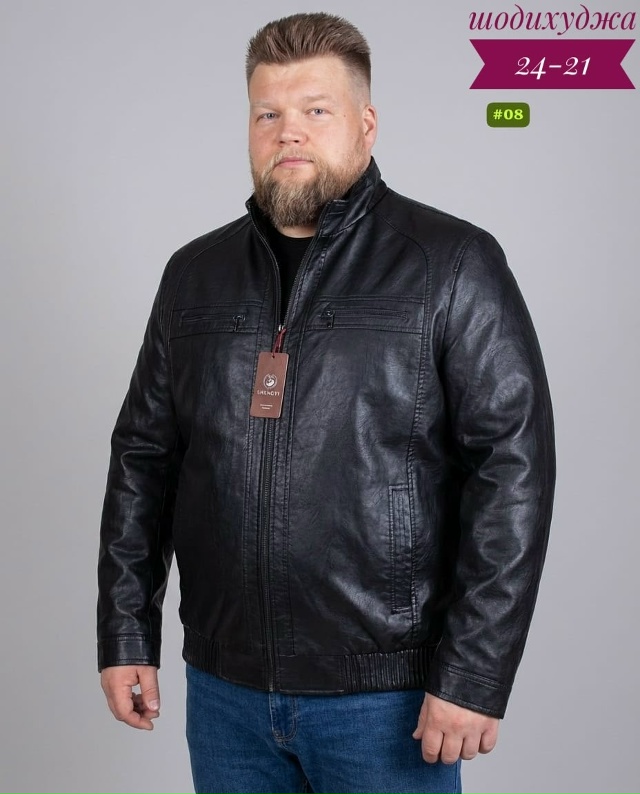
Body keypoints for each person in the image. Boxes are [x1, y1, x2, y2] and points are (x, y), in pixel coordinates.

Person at [97, 12, 555, 794]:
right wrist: (125, 631)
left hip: (386, 700)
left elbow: (513, 471)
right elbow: (144, 458)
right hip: (225, 694)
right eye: (267, 113)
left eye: (316, 109)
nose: (289, 131)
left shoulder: (451, 263)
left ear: (366, 125)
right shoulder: (194, 275)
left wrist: (474, 671)